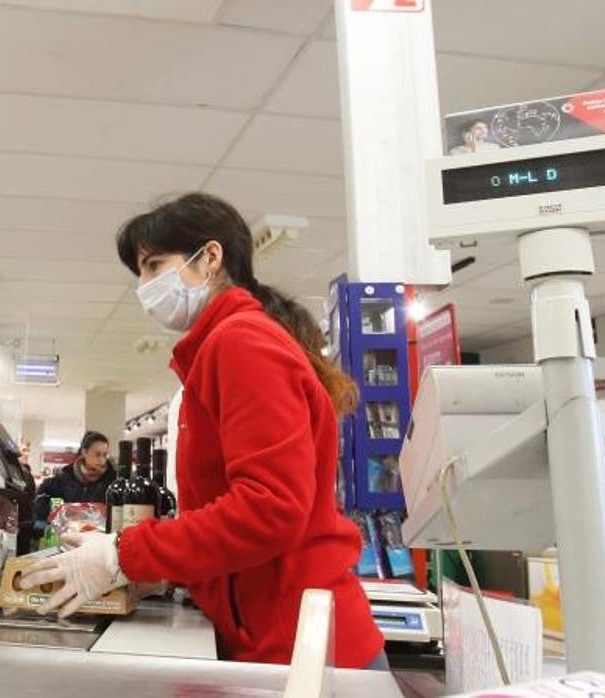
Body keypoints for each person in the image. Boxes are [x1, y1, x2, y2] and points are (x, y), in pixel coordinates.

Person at [20, 193, 386, 670]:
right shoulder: (225, 347)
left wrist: (124, 554)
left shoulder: (241, 343)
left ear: (210, 257)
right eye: (141, 273)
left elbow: (269, 508)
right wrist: (163, 570)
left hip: (304, 650)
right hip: (280, 637)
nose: (145, 286)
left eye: (154, 266)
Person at [32, 431, 116, 535]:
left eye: (105, 454)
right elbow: (43, 494)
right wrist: (41, 517)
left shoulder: (113, 481)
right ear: (85, 452)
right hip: (69, 537)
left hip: (100, 539)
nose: (102, 460)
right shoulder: (65, 476)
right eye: (97, 454)